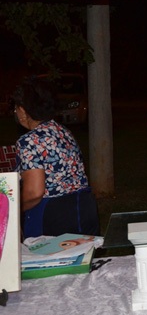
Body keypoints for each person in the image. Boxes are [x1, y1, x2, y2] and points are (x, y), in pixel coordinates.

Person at [11, 77, 99, 238]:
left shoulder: (30, 140)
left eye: (16, 108)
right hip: (84, 208)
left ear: (23, 111)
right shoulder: (63, 132)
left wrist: (11, 209)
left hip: (54, 216)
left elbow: (34, 192)